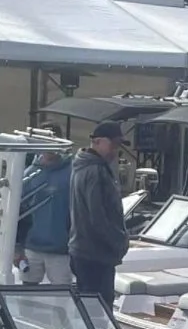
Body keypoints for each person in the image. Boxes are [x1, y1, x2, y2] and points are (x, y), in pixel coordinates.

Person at [68, 121, 130, 307]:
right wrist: (119, 242)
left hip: (83, 250)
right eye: (114, 145)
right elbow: (98, 217)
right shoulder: (96, 170)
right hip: (96, 253)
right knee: (99, 311)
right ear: (98, 141)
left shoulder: (81, 166)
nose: (115, 151)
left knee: (89, 307)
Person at [16, 126, 72, 285]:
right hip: (31, 247)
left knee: (63, 294)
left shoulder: (73, 172)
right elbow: (17, 213)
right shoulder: (28, 174)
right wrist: (17, 249)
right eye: (44, 142)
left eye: (53, 142)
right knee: (27, 291)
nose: (49, 147)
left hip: (62, 249)